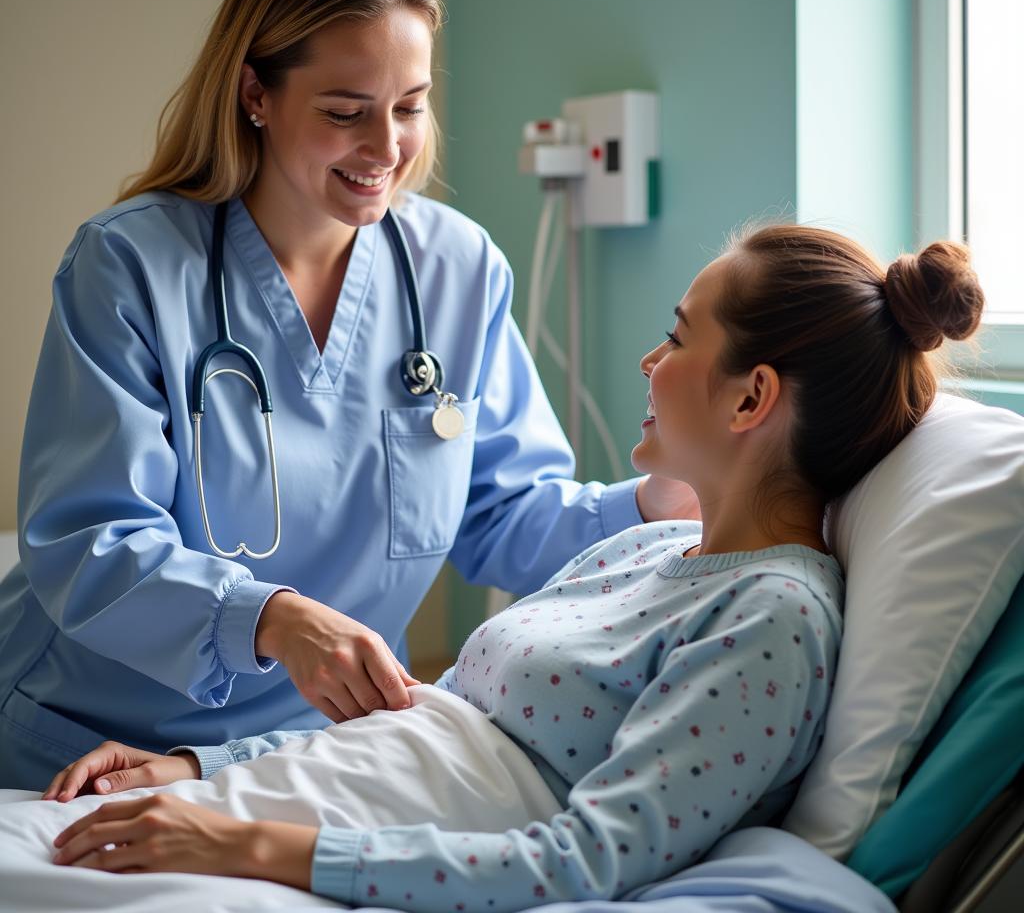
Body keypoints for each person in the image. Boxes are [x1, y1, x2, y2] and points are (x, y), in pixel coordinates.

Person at [31, 226, 983, 912]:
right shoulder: (653, 551)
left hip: (306, 854)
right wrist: (196, 767)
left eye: (680, 337)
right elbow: (433, 720)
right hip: (270, 803)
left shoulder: (769, 621)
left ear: (752, 400)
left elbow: (584, 861)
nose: (651, 361)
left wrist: (247, 843)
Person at [0, 0, 698, 792]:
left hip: (319, 742)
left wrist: (656, 506)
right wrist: (275, 621)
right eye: (345, 112)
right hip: (95, 732)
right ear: (256, 92)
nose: (387, 148)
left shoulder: (458, 269)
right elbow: (88, 539)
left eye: (410, 105)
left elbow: (503, 514)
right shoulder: (130, 265)